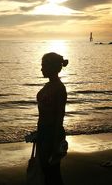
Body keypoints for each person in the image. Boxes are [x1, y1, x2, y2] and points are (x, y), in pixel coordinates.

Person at [36, 52, 68, 185]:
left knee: (52, 172)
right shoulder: (48, 86)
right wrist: (38, 133)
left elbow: (59, 116)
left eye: (44, 66)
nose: (41, 69)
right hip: (43, 132)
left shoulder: (60, 88)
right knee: (45, 170)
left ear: (52, 67)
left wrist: (55, 142)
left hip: (52, 133)